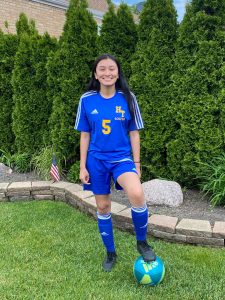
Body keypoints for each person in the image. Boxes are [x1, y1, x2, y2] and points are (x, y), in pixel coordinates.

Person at [74, 54, 156, 272]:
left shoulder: (128, 98)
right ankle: (110, 253)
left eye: (112, 69)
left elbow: (135, 133)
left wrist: (137, 164)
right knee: (103, 206)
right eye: (102, 69)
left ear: (118, 73)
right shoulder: (87, 99)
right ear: (95, 74)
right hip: (96, 160)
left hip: (122, 159)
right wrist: (82, 166)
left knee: (137, 193)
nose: (107, 73)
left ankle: (142, 242)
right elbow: (84, 135)